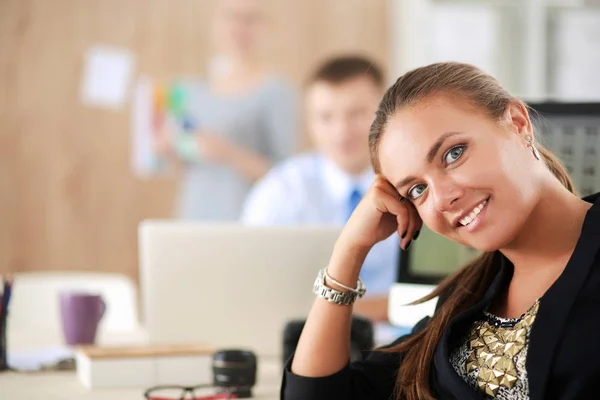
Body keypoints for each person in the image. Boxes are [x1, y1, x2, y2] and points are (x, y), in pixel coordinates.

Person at [282, 62, 600, 400]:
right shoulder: (464, 302)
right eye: (417, 189)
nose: (444, 198)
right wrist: (349, 250)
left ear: (519, 124)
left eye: (454, 154)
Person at [241, 56, 399, 324]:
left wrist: (330, 306)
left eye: (357, 114)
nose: (341, 131)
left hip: (409, 342)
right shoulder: (279, 191)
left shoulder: (417, 185)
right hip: (308, 341)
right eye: (325, 117)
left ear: (386, 115)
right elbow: (253, 287)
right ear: (309, 123)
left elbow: (440, 291)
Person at [157, 0, 296, 221]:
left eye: (250, 19)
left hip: (246, 220)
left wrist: (227, 152)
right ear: (215, 23)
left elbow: (285, 176)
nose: (238, 27)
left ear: (265, 26)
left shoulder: (276, 91)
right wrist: (170, 149)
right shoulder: (191, 90)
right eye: (230, 17)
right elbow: (183, 168)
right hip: (192, 218)